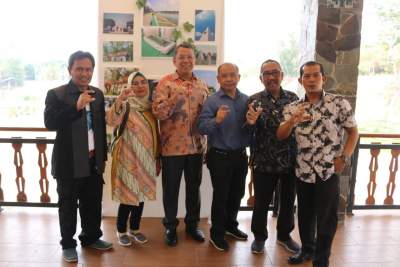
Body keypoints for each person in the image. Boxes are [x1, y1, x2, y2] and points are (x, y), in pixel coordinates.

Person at [277, 61, 359, 267]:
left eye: (316, 75)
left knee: (326, 220)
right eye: (307, 76)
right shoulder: (292, 107)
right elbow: (281, 135)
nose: (311, 80)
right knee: (304, 216)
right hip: (303, 171)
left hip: (328, 171)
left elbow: (353, 132)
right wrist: (291, 121)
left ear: (324, 78)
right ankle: (307, 251)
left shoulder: (338, 103)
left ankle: (321, 260)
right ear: (300, 80)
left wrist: (344, 157)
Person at [44, 51, 112, 263]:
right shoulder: (57, 94)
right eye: (79, 69)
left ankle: (91, 237)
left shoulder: (97, 94)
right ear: (70, 70)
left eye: (88, 69)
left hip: (93, 161)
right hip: (68, 164)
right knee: (68, 206)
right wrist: (76, 107)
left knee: (93, 203)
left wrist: (102, 159)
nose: (84, 73)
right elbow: (50, 122)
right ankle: (68, 244)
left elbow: (99, 129)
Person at [152, 43, 209, 246]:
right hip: (171, 148)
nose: (186, 61)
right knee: (171, 190)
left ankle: (192, 225)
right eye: (182, 57)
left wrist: (207, 145)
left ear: (194, 59)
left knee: (194, 188)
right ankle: (170, 227)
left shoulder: (202, 85)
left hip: (196, 147)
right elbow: (158, 113)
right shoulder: (165, 84)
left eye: (190, 57)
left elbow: (207, 117)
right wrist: (173, 100)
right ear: (174, 60)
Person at [246, 59, 300, 254]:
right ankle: (259, 237)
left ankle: (285, 236)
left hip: (289, 161)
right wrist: (250, 124)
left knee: (287, 202)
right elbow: (246, 129)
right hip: (263, 161)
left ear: (282, 76)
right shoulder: (254, 100)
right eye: (267, 73)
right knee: (261, 202)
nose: (271, 77)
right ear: (261, 78)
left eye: (275, 72)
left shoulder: (294, 98)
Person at [198, 63, 250, 251]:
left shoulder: (246, 100)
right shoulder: (212, 101)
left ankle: (231, 227)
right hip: (219, 156)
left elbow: (249, 129)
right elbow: (202, 128)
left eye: (232, 75)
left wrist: (251, 123)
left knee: (237, 194)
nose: (229, 79)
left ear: (238, 77)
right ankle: (217, 234)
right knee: (221, 196)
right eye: (224, 76)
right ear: (218, 79)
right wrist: (216, 120)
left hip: (240, 156)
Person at [106, 71, 161, 247]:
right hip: (127, 157)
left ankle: (135, 229)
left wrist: (157, 158)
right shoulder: (126, 105)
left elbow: (156, 134)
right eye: (135, 83)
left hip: (146, 158)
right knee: (128, 196)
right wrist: (120, 100)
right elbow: (111, 121)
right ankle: (121, 230)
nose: (139, 86)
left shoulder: (151, 107)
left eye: (143, 82)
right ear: (130, 86)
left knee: (141, 194)